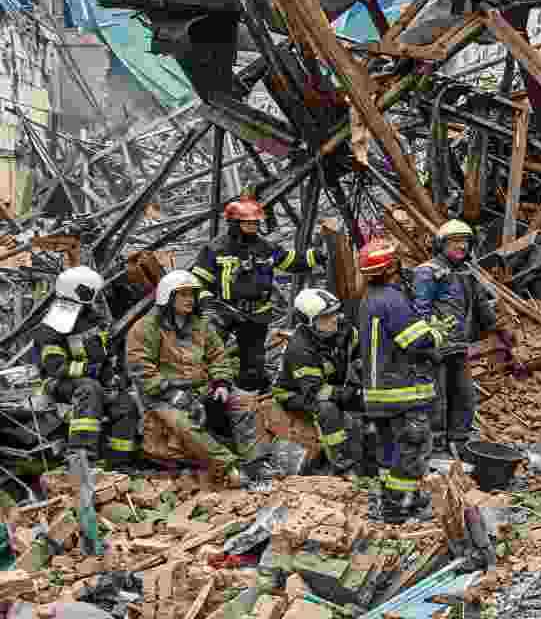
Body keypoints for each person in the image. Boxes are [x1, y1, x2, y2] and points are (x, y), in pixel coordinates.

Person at [190, 195, 326, 393]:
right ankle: (206, 392)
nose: (253, 226)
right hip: (224, 311)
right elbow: (198, 281)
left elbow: (290, 261)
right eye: (248, 223)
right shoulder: (215, 249)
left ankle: (250, 394)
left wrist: (317, 256)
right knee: (211, 353)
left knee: (253, 363)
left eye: (255, 223)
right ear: (234, 224)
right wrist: (207, 303)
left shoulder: (265, 247)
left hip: (256, 314)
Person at [125, 270, 247, 487]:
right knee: (186, 425)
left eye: (192, 294)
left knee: (244, 402)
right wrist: (173, 395)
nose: (190, 299)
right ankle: (230, 467)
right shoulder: (145, 328)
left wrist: (221, 383)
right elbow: (141, 369)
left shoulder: (200, 326)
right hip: (161, 397)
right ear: (168, 297)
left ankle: (256, 460)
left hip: (201, 388)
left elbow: (218, 355)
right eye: (183, 294)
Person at [357, 238, 448, 523]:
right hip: (402, 392)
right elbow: (416, 340)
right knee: (413, 447)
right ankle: (397, 507)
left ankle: (394, 497)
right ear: (390, 267)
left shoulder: (370, 298)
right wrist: (437, 332)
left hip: (378, 395)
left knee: (389, 451)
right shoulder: (392, 299)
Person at [411, 220, 512, 458]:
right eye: (455, 241)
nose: (461, 246)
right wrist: (427, 345)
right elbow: (420, 310)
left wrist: (498, 329)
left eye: (465, 241)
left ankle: (459, 442)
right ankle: (436, 446)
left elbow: (481, 304)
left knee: (465, 396)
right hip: (436, 348)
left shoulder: (467, 272)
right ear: (441, 244)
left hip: (458, 347)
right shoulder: (427, 272)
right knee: (437, 400)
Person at [31, 267, 140, 467]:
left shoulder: (92, 320)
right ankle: (82, 458)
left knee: (124, 403)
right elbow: (55, 367)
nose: (96, 297)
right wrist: (88, 370)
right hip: (57, 384)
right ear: (79, 292)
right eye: (92, 292)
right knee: (90, 390)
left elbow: (106, 354)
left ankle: (117, 462)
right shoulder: (53, 326)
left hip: (92, 380)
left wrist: (113, 377)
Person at [278, 288, 363, 477]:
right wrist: (350, 395)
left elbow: (360, 359)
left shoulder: (346, 331)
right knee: (327, 409)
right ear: (309, 323)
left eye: (334, 313)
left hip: (331, 385)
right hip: (297, 393)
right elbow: (316, 391)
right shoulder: (301, 348)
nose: (334, 319)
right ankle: (342, 465)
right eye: (325, 317)